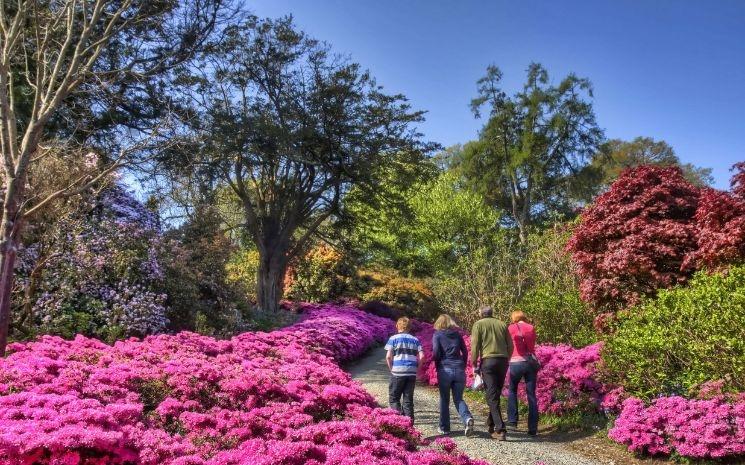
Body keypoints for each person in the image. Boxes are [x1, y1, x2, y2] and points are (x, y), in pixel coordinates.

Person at [470, 306, 513, 441]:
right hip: (503, 361)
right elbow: (510, 345)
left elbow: (475, 345)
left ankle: (500, 429)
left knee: (491, 396)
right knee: (495, 394)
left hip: (488, 361)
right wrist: (507, 358)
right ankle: (491, 422)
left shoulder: (478, 324)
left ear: (481, 314)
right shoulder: (502, 324)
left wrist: (474, 364)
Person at [432, 314, 475, 437]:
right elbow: (465, 351)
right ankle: (467, 418)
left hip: (445, 369)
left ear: (439, 323)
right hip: (459, 369)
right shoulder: (457, 335)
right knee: (458, 398)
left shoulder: (437, 335)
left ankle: (444, 428)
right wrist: (463, 364)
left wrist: (437, 364)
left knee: (445, 399)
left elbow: (435, 352)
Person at [385, 316, 424, 422]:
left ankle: (399, 423)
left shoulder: (393, 339)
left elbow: (388, 356)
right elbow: (422, 356)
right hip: (411, 373)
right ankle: (409, 426)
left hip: (397, 372)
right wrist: (417, 369)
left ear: (397, 326)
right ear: (409, 328)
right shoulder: (415, 340)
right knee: (408, 400)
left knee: (394, 398)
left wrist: (391, 369)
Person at [507, 310, 539, 435]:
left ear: (513, 317)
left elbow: (508, 345)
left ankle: (512, 421)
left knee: (512, 390)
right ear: (524, 317)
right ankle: (533, 428)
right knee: (531, 394)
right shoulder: (531, 327)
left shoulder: (510, 328)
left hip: (515, 363)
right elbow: (532, 347)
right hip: (530, 363)